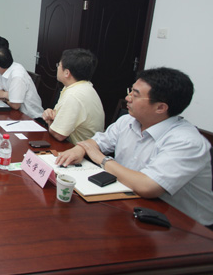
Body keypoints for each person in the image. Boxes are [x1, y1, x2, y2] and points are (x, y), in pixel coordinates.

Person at [56, 67, 213, 227]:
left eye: (135, 95)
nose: (127, 98)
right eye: (130, 91)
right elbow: (98, 142)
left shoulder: (186, 142)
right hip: (132, 203)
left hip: (183, 226)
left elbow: (147, 186)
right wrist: (79, 149)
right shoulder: (128, 121)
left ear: (160, 107)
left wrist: (102, 160)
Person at [41, 49, 104, 144]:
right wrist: (51, 114)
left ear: (67, 73)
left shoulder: (74, 95)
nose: (57, 68)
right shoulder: (83, 86)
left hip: (78, 149)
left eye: (59, 65)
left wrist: (49, 120)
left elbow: (58, 134)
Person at [0, 46, 43, 118]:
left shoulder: (17, 76)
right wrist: (8, 95)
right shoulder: (0, 69)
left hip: (30, 117)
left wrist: (4, 98)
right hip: (13, 111)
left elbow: (15, 105)